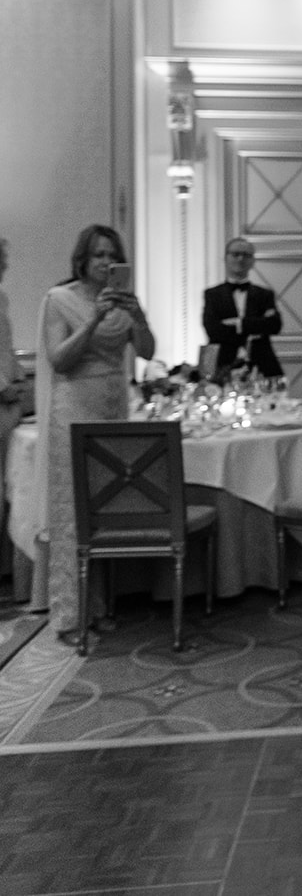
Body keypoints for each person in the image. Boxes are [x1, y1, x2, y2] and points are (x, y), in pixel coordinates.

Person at [36, 224, 156, 641]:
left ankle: (103, 603)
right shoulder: (60, 299)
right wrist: (93, 320)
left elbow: (147, 352)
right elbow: (59, 360)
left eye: (111, 255)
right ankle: (71, 614)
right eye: (98, 255)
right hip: (74, 408)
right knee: (73, 511)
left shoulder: (124, 303)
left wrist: (137, 317)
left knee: (108, 506)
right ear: (82, 260)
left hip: (114, 406)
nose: (105, 262)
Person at [0, 239, 33, 597]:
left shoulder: (2, 298)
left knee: (8, 488)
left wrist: (19, 375)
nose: (6, 265)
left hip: (8, 400)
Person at [201, 238, 283, 379]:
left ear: (253, 261)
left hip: (262, 361)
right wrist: (257, 325)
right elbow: (212, 330)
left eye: (246, 255)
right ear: (226, 258)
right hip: (222, 362)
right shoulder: (212, 294)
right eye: (235, 254)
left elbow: (275, 325)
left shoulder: (264, 294)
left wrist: (240, 324)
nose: (240, 259)